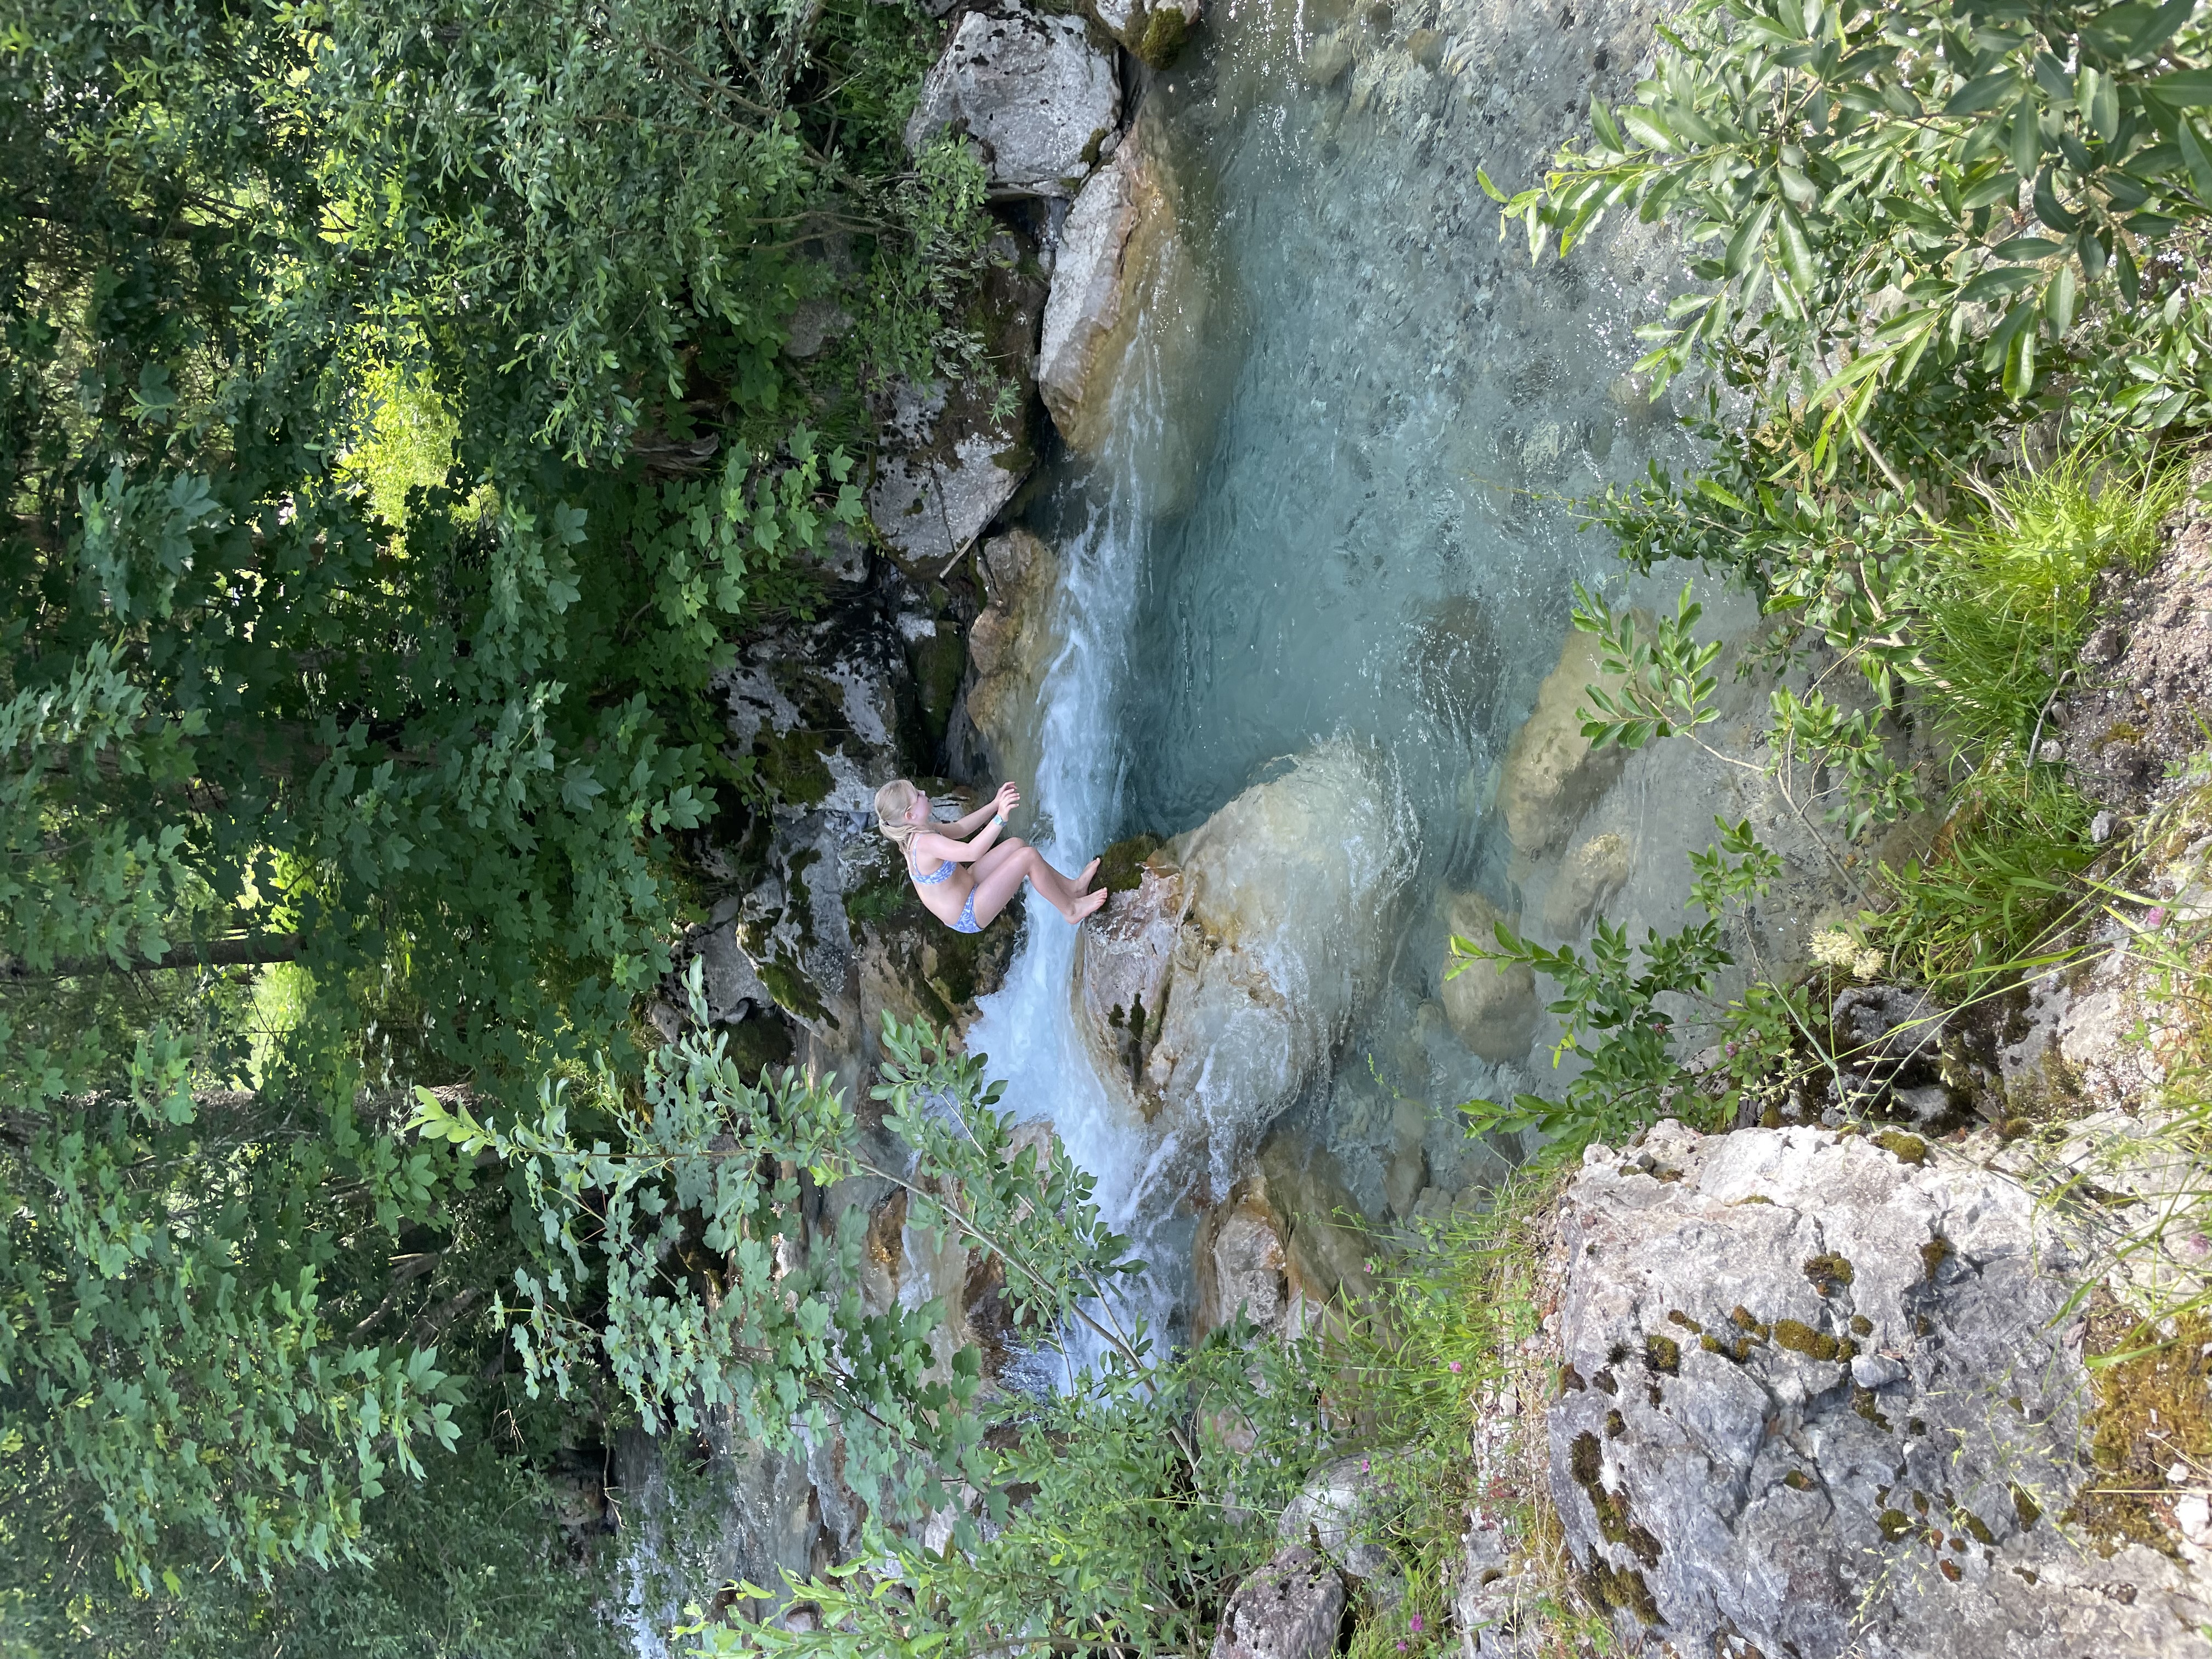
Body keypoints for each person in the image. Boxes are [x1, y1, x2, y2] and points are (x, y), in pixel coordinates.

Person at [873, 778, 1106, 933]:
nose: (923, 792)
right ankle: (1070, 910)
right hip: (968, 911)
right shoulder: (925, 843)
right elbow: (971, 852)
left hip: (968, 883)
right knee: (1028, 857)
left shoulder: (922, 831)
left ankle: (1073, 889)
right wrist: (1000, 819)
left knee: (1016, 845)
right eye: (917, 795)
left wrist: (995, 804)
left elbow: (961, 828)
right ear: (910, 815)